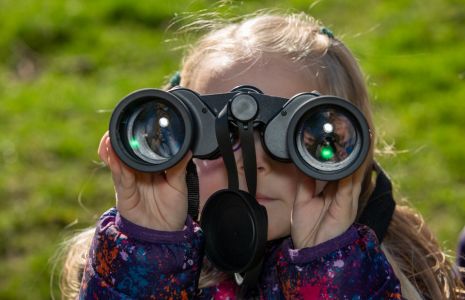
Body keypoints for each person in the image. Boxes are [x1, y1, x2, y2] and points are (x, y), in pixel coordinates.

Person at [60, 12, 464, 299]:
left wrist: (331, 267)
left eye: (291, 139)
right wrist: (147, 249)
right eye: (222, 137)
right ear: (180, 147)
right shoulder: (124, 259)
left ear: (348, 151)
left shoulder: (397, 273)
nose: (251, 162)